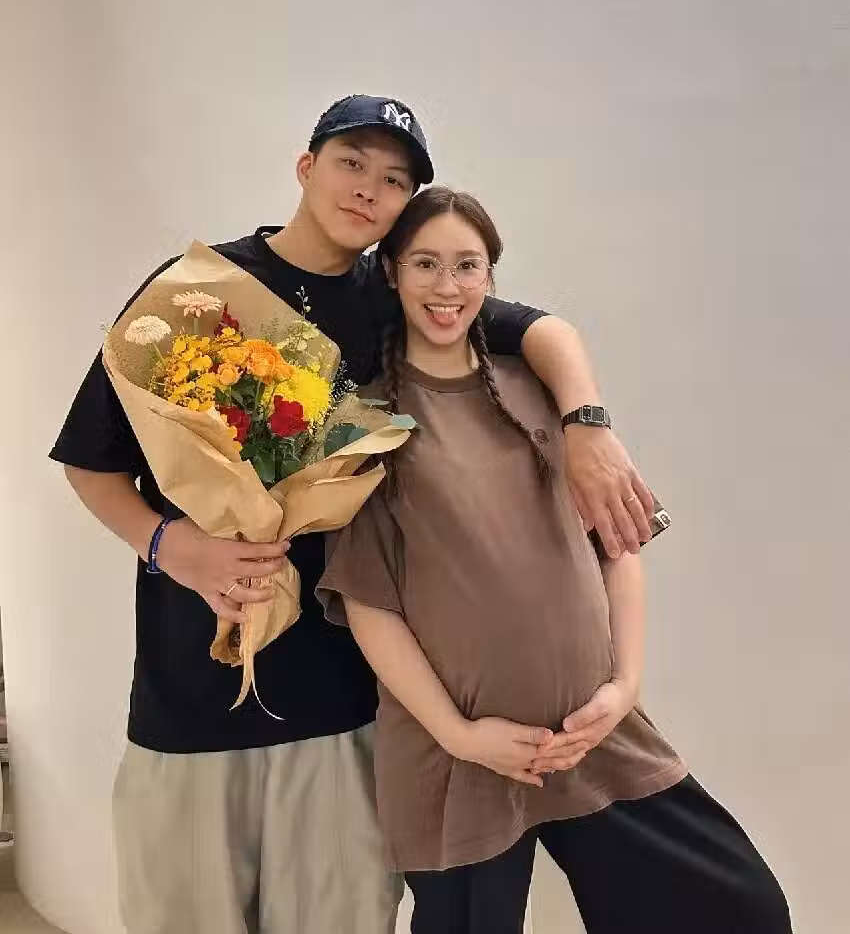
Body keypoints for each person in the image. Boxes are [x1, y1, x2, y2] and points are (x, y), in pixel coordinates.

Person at [50, 95, 656, 934]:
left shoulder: (400, 296)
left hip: (347, 705)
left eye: (395, 179)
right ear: (306, 167)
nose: (370, 189)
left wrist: (589, 426)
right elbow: (90, 459)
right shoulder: (199, 293)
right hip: (191, 689)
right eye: (352, 163)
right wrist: (167, 545)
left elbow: (541, 327)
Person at [317, 186, 793, 934]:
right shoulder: (367, 424)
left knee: (740, 907)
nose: (447, 286)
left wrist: (623, 688)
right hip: (459, 761)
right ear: (392, 273)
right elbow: (368, 604)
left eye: (467, 265)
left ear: (490, 276)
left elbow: (619, 546)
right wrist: (460, 735)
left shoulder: (546, 395)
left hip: (592, 739)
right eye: (426, 263)